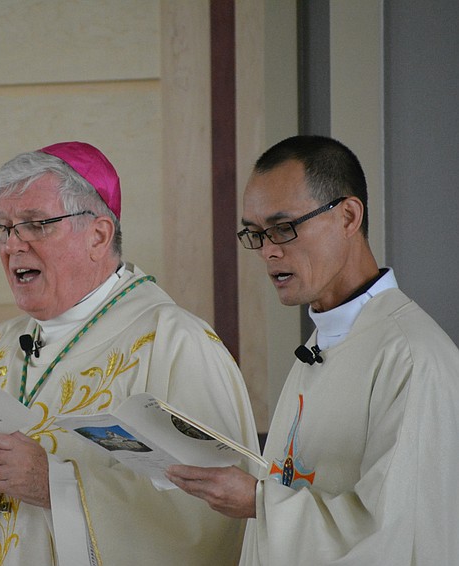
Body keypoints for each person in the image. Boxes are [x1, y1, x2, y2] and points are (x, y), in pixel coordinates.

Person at [0, 141, 260, 565]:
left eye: (36, 224)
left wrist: (54, 484)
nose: (12, 245)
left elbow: (206, 521)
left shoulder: (173, 343)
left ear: (98, 235)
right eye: (4, 228)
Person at [166, 135, 459, 564]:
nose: (268, 250)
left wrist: (259, 504)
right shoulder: (320, 344)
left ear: (347, 216)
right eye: (254, 233)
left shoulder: (411, 357)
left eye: (283, 228)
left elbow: (398, 531)